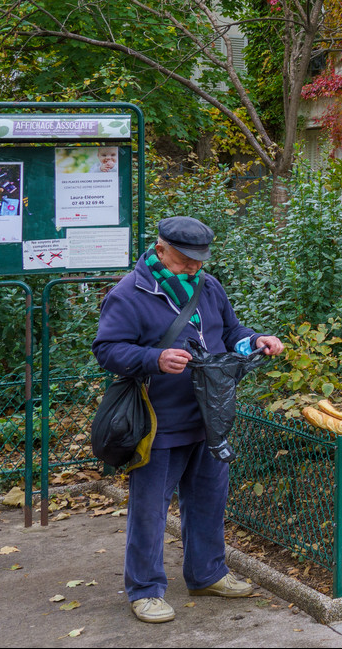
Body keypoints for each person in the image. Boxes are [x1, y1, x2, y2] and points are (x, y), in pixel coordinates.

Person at [93, 216, 284, 624]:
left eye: (199, 261)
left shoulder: (208, 286)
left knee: (209, 502)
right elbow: (107, 349)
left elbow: (230, 331)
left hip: (211, 417)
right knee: (150, 510)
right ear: (160, 250)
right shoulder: (129, 293)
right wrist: (154, 359)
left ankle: (207, 573)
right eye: (184, 261)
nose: (193, 269)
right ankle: (145, 589)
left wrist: (257, 340)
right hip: (158, 421)